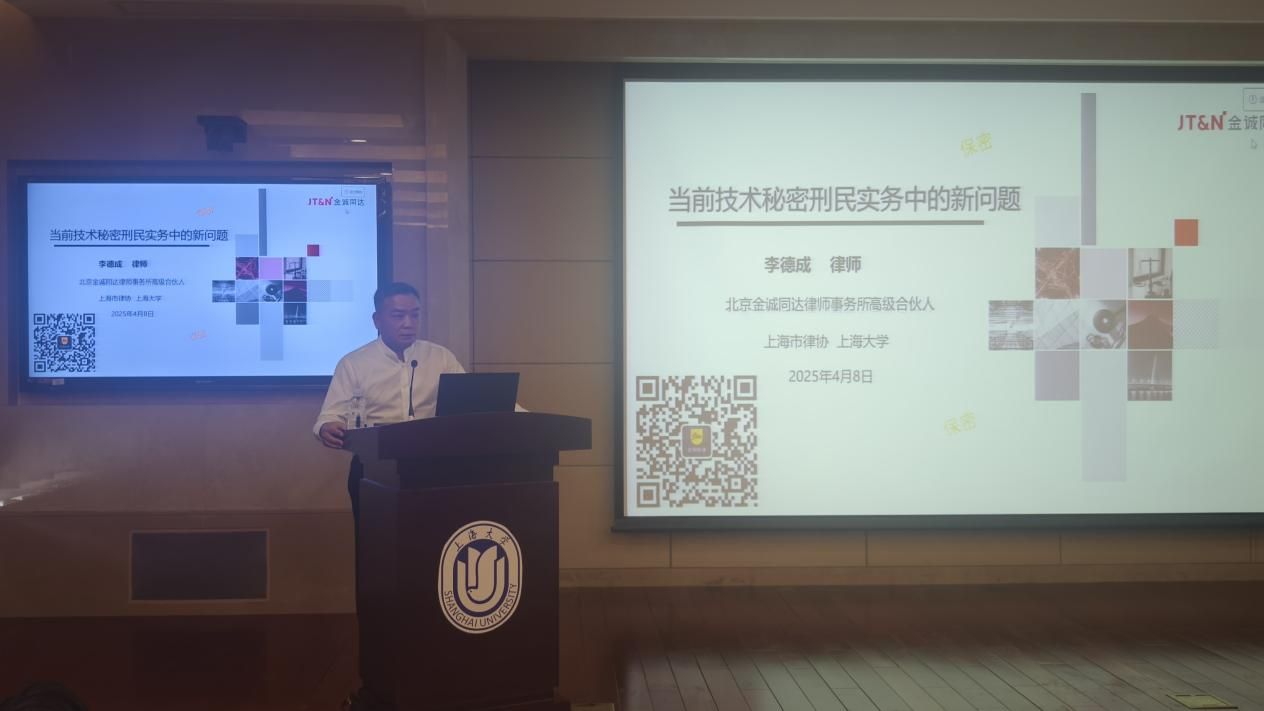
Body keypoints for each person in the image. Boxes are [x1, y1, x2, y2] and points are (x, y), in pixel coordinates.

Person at [313, 281, 464, 711]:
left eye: (414, 314)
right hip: (375, 478)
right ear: (377, 319)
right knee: (378, 571)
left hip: (434, 476)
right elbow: (328, 417)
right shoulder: (354, 363)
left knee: (433, 566)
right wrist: (327, 428)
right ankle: (380, 668)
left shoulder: (440, 358)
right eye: (398, 315)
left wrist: (522, 417)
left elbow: (478, 405)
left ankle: (435, 657)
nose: (408, 323)